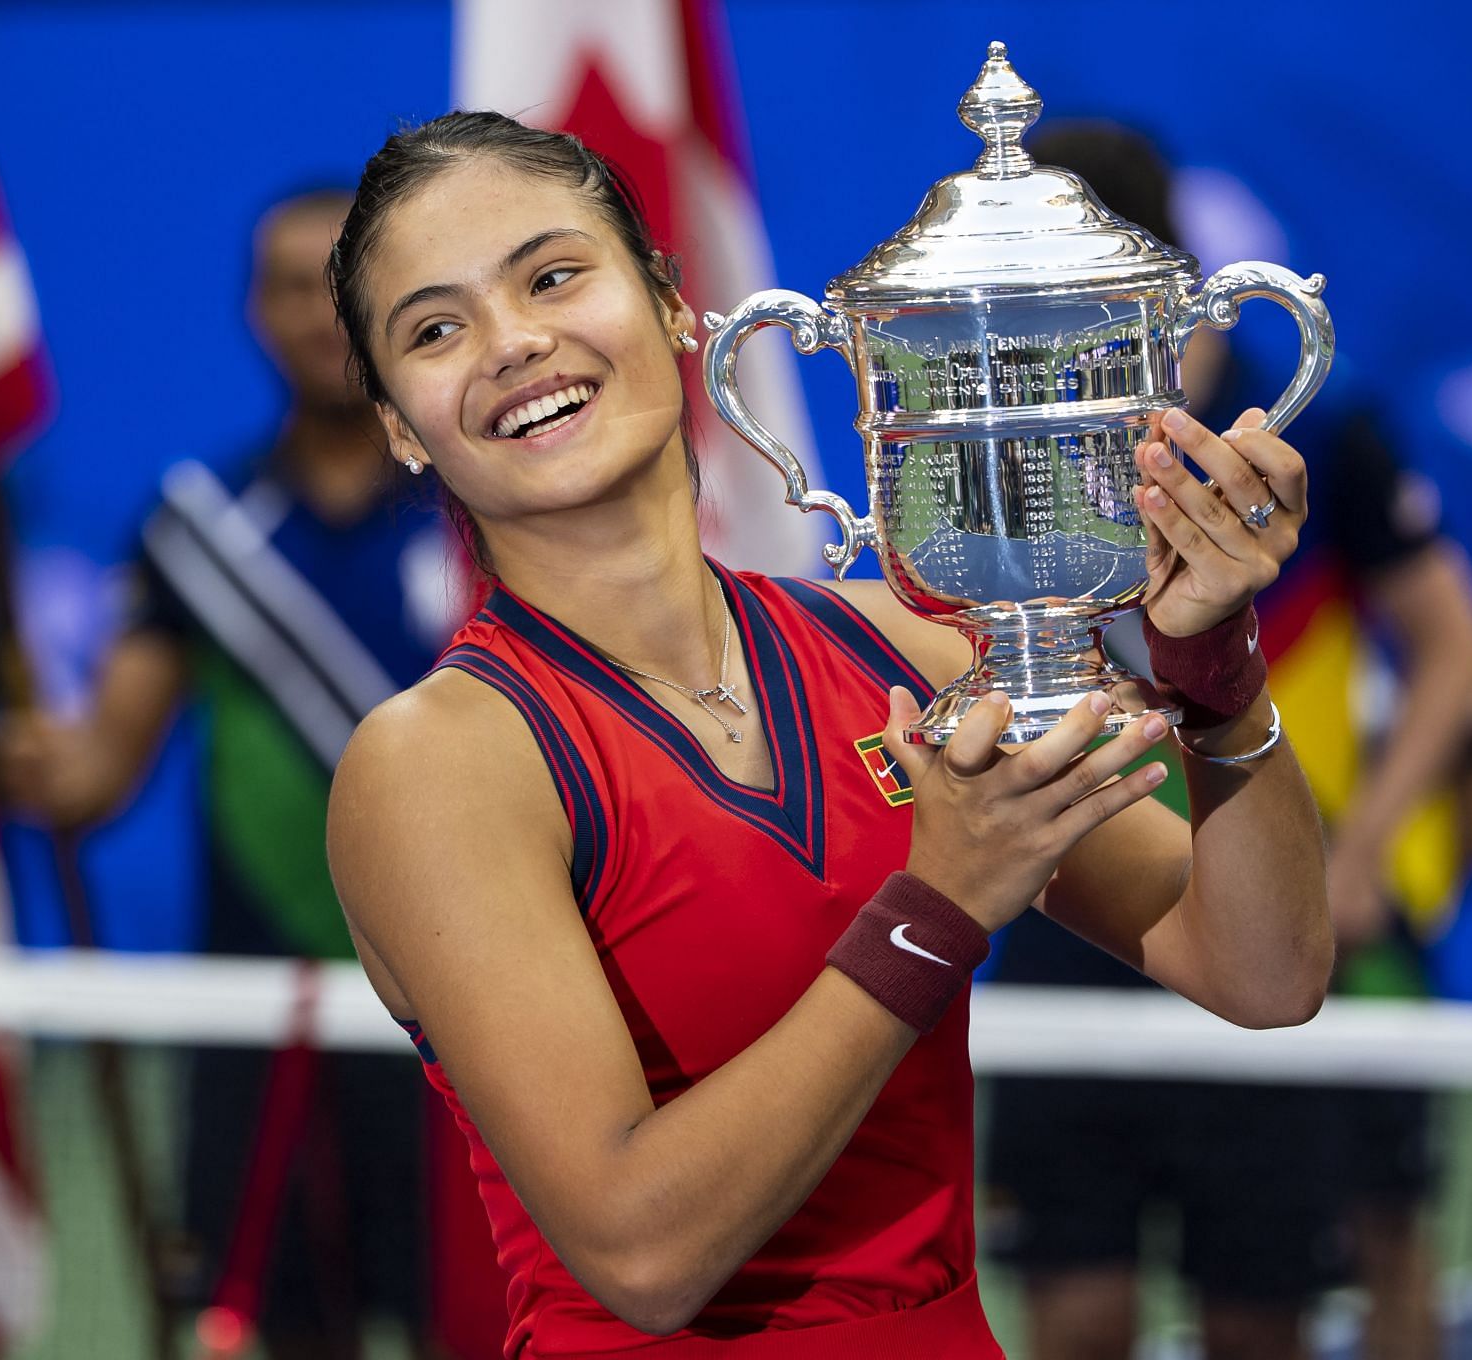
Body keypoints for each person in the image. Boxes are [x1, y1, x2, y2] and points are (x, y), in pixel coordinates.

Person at [321, 110, 1333, 1357]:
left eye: (553, 275)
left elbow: (1264, 972)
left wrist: (1214, 667)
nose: (515, 341)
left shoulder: (902, 644)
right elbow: (643, 1251)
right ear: (400, 428)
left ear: (674, 303)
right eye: (436, 328)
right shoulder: (435, 761)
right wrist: (938, 903)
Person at [982, 123, 1472, 1360]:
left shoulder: (1311, 425)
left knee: (1274, 1304)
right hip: (1083, 909)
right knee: (1077, 1307)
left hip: (1278, 894)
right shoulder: (1007, 444)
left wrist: (1366, 848)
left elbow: (1460, 654)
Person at [0, 188, 456, 1359]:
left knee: (486, 1321)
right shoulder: (200, 530)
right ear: (254, 311)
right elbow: (98, 774)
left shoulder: (487, 512)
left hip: (476, 1012)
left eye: (340, 284)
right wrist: (46, 764)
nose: (318, 314)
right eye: (290, 285)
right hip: (266, 1025)